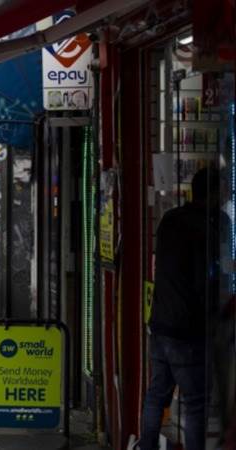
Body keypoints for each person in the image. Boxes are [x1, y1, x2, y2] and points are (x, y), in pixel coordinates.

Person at [140, 168, 218, 450]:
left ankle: (147, 445)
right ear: (214, 194)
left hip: (160, 322)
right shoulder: (204, 227)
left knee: (157, 393)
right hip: (187, 330)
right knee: (196, 402)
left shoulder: (170, 219)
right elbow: (204, 281)